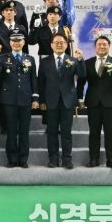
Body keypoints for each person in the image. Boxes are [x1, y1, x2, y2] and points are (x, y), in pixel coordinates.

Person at [77, 35, 112, 170]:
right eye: (99, 44)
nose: (102, 46)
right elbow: (81, 82)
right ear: (95, 47)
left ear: (109, 46)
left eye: (104, 44)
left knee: (110, 133)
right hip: (93, 103)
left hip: (110, 103)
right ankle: (93, 159)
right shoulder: (87, 63)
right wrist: (80, 99)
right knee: (93, 133)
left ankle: (111, 160)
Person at [0, 32, 39, 168]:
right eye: (14, 41)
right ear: (10, 43)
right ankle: (12, 159)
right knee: (11, 131)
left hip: (25, 99)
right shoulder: (3, 58)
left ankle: (23, 159)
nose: (16, 43)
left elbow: (33, 80)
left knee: (24, 131)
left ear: (23, 42)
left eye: (19, 41)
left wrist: (35, 98)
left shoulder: (30, 59)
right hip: (9, 100)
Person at [38, 33, 86, 169]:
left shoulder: (73, 60)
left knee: (66, 133)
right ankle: (53, 159)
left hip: (67, 102)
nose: (59, 45)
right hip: (50, 102)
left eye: (62, 42)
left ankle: (67, 159)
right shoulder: (44, 61)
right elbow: (41, 82)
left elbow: (82, 75)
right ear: (51, 45)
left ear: (66, 45)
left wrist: (80, 60)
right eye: (56, 42)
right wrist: (41, 101)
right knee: (51, 133)